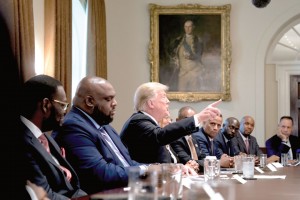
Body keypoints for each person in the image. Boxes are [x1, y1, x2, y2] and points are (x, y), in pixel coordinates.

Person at [120, 82, 221, 164]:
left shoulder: (149, 123)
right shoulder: (138, 120)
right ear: (151, 103)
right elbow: (160, 136)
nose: (168, 101)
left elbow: (163, 161)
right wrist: (199, 117)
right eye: (163, 97)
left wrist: (178, 168)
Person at [20, 74, 87, 200]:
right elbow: (45, 196)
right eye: (62, 105)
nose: (65, 111)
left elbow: (70, 187)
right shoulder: (22, 142)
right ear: (46, 105)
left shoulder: (44, 137)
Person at [168, 20, 204, 91]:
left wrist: (191, 56)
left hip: (194, 73)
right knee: (181, 95)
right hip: (182, 73)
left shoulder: (198, 41)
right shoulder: (178, 40)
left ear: (193, 27)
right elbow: (172, 52)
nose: (187, 29)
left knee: (195, 96)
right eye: (186, 27)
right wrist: (175, 59)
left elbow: (199, 56)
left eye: (189, 27)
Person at [170, 106, 206, 172]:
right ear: (178, 121)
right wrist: (201, 164)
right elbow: (186, 160)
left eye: (194, 120)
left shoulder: (194, 137)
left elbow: (204, 159)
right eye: (187, 120)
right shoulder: (175, 138)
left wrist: (200, 163)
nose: (191, 123)